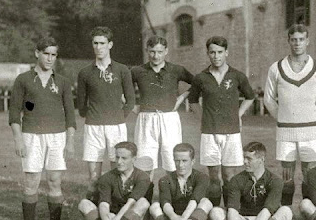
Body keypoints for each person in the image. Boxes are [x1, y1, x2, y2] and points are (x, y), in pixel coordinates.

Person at [9, 37, 76, 220]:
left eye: (53, 54)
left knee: (55, 181)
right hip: (31, 136)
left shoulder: (62, 81)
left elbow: (71, 115)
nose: (50, 58)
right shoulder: (23, 79)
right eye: (46, 53)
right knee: (31, 182)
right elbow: (14, 113)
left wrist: (71, 141)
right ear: (37, 53)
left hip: (57, 137)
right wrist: (19, 140)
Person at [263, 24, 316, 206]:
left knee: (310, 175)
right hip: (286, 130)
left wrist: (313, 116)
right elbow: (268, 99)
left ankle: (310, 217)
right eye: (294, 40)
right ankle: (287, 215)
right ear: (289, 41)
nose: (297, 43)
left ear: (307, 41)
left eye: (301, 39)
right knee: (287, 174)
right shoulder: (276, 68)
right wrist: (283, 117)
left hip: (310, 129)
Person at [187, 36, 256, 207]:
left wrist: (238, 114)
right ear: (208, 53)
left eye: (219, 52)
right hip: (209, 132)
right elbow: (193, 100)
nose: (216, 56)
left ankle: (231, 210)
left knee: (229, 175)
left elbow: (250, 96)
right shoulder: (201, 77)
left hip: (231, 131)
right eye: (212, 52)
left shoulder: (237, 75)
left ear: (227, 53)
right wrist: (203, 117)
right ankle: (216, 213)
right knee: (214, 176)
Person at [77, 26, 135, 203]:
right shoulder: (85, 72)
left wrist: (117, 117)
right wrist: (96, 116)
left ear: (110, 44)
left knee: (118, 174)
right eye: (95, 43)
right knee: (94, 178)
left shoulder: (122, 70)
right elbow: (81, 105)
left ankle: (115, 214)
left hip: (116, 128)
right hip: (93, 128)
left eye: (102, 43)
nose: (98, 47)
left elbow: (131, 101)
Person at [209, 142, 293, 220]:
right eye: (244, 158)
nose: (244, 162)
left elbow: (268, 209)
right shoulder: (237, 180)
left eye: (249, 159)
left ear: (261, 160)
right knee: (215, 212)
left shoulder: (275, 180)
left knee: (286, 211)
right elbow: (233, 209)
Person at [131, 36, 194, 174]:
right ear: (147, 50)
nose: (156, 56)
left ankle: (173, 195)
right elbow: (121, 88)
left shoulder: (176, 69)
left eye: (159, 52)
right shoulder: (137, 71)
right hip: (146, 119)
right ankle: (145, 195)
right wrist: (131, 106)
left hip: (169, 118)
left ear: (166, 51)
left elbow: (197, 83)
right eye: (152, 51)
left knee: (172, 162)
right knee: (144, 163)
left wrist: (181, 97)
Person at [77, 142, 152, 220]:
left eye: (124, 158)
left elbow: (130, 204)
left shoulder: (142, 177)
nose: (119, 162)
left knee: (143, 202)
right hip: (113, 218)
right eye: (117, 157)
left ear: (134, 159)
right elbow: (104, 203)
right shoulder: (107, 177)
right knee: (84, 204)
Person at [149, 143, 214, 220]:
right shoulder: (165, 180)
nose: (180, 165)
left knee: (206, 202)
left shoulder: (202, 177)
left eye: (184, 161)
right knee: (154, 206)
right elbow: (165, 203)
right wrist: (175, 218)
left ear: (193, 161)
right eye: (177, 161)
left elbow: (195, 200)